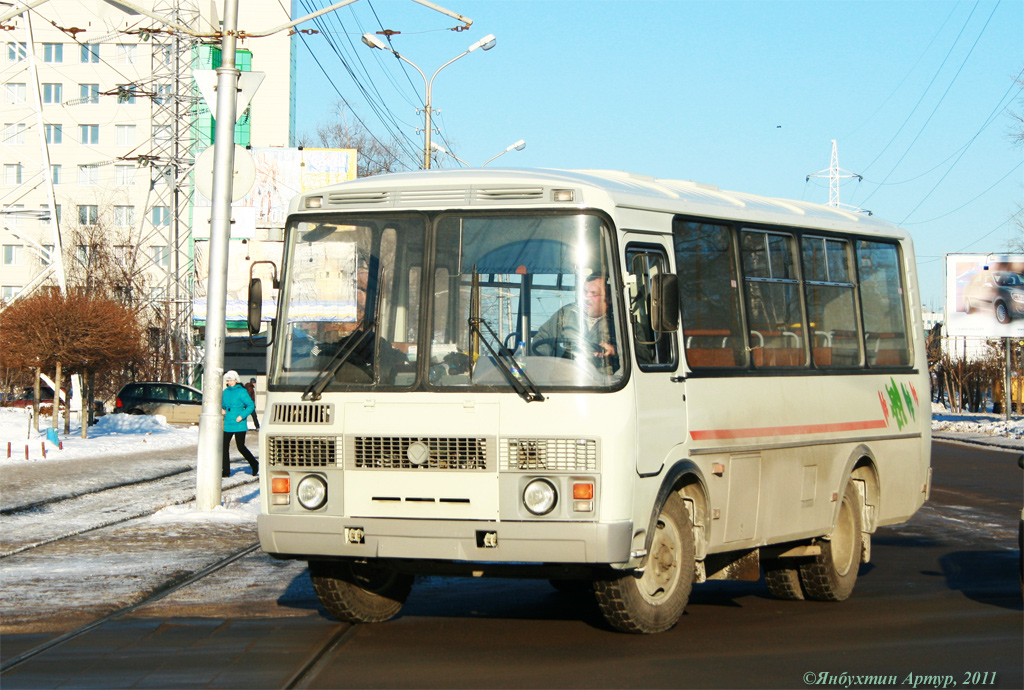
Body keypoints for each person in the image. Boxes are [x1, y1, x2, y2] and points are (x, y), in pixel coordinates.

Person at [533, 273, 619, 374]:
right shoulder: (566, 314)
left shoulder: (619, 320)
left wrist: (616, 351)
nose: (586, 297)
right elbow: (541, 340)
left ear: (608, 298)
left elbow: (640, 349)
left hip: (605, 384)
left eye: (594, 293)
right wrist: (548, 364)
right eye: (585, 292)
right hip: (565, 379)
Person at [221, 370, 258, 477]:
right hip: (228, 423)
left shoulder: (242, 391)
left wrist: (241, 416)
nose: (230, 382)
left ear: (236, 380)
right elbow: (224, 405)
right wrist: (223, 410)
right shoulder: (225, 392)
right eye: (228, 380)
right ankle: (226, 471)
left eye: (231, 380)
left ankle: (254, 463)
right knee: (224, 447)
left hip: (239, 423)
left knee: (240, 447)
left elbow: (250, 405)